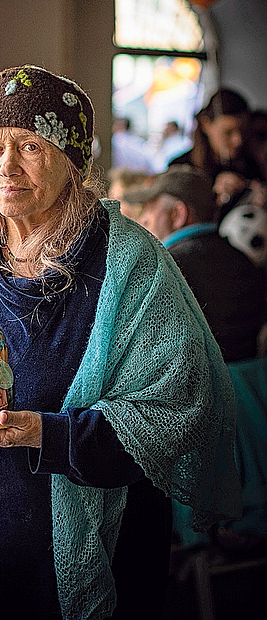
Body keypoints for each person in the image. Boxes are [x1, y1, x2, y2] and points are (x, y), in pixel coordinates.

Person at [0, 66, 241, 620]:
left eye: (30, 146)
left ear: (73, 162)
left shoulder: (133, 268)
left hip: (109, 552)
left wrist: (44, 435)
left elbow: (178, 414)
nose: (6, 166)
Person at [126, 165, 267, 543]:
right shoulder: (245, 263)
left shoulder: (165, 269)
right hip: (254, 440)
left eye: (150, 210)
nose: (142, 219)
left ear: (177, 214)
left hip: (197, 451)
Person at [169, 88, 265, 211]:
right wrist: (212, 198)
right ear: (206, 124)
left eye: (242, 130)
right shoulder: (179, 168)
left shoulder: (251, 166)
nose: (238, 140)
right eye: (228, 132)